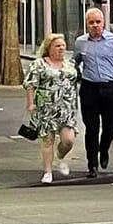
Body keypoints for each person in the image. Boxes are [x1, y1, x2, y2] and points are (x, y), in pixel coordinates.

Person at [72, 8, 113, 176]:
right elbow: (75, 62)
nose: (95, 25)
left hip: (110, 88)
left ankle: (103, 149)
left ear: (103, 23)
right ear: (87, 24)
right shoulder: (81, 42)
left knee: (112, 125)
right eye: (91, 22)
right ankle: (92, 164)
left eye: (98, 22)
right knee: (92, 127)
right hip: (90, 89)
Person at [23, 33, 79, 183]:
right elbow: (30, 84)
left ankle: (60, 156)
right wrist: (30, 103)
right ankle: (48, 171)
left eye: (63, 45)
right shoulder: (39, 64)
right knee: (48, 141)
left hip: (66, 108)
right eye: (57, 46)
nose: (61, 48)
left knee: (68, 140)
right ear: (49, 48)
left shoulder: (70, 64)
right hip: (46, 108)